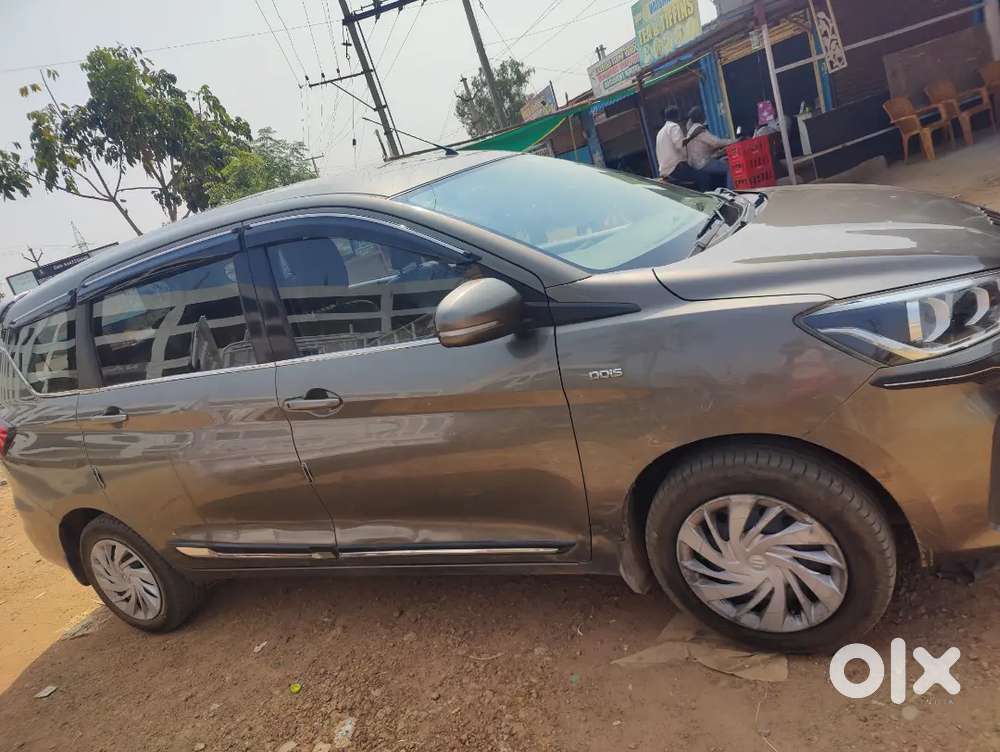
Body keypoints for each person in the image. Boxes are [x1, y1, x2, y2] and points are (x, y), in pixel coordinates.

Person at [684, 105, 734, 191]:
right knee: (730, 167)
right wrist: (734, 141)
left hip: (695, 163)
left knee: (721, 161)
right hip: (703, 163)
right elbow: (716, 142)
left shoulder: (690, 130)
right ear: (701, 117)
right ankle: (730, 192)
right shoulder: (699, 130)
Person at [655, 105, 695, 185]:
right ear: (676, 116)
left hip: (665, 171)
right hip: (675, 168)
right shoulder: (674, 127)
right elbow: (679, 145)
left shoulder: (660, 132)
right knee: (703, 177)